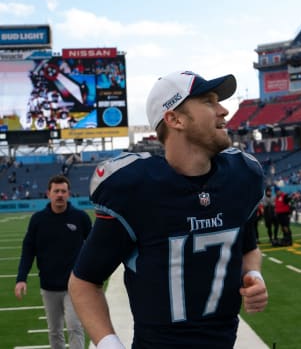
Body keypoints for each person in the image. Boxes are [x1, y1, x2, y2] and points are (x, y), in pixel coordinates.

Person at [68, 70, 268, 349]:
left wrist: (253, 276)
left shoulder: (241, 176)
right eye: (209, 102)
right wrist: (109, 343)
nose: (224, 110)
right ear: (175, 119)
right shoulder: (137, 189)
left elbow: (248, 247)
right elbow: (84, 282)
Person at [15, 175, 91, 349]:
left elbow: (94, 247)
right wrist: (21, 278)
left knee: (75, 327)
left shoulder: (80, 218)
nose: (60, 195)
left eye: (63, 191)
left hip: (74, 285)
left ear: (69, 194)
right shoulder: (38, 220)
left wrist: (92, 274)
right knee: (54, 331)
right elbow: (28, 251)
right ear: (48, 194)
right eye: (56, 191)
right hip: (48, 286)